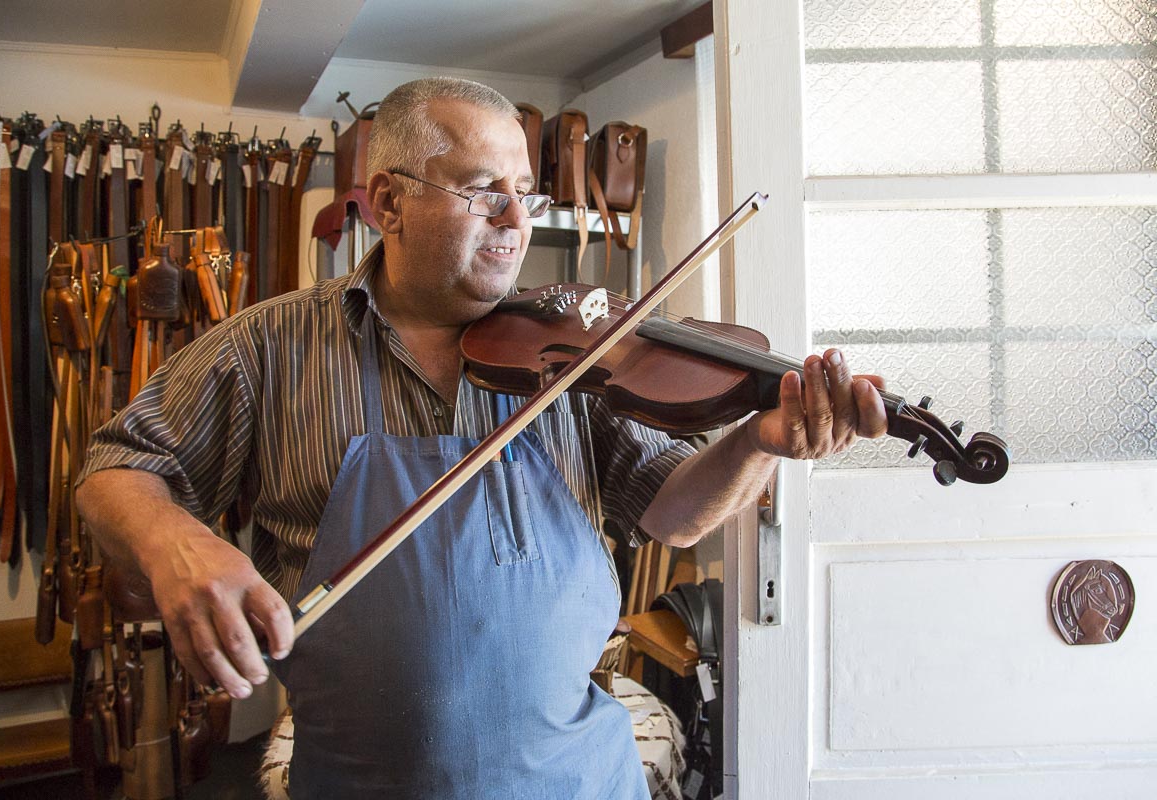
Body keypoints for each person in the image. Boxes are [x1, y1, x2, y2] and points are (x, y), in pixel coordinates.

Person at [76, 77, 887, 798]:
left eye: (526, 193)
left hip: (576, 781)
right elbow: (116, 468)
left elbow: (673, 513)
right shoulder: (268, 347)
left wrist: (756, 444)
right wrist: (174, 542)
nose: (514, 219)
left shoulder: (580, 353)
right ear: (389, 203)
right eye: (481, 190)